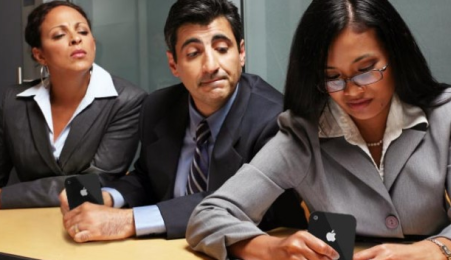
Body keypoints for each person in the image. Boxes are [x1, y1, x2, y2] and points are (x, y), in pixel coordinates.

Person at [186, 0, 451, 259]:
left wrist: (435, 251)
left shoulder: (446, 113)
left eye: (366, 70)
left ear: (396, 57)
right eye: (333, 77)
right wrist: (270, 248)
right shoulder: (303, 134)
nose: (352, 91)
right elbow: (208, 216)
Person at [60, 0, 306, 243]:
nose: (211, 66)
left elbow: (247, 205)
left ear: (241, 53)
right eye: (193, 53)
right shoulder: (157, 106)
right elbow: (147, 177)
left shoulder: (276, 118)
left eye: (222, 49)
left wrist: (128, 221)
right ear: (173, 64)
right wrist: (109, 197)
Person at [0, 1, 147, 209]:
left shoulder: (127, 100)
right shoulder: (13, 101)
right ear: (39, 55)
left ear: (93, 43)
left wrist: (5, 197)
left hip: (91, 221)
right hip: (23, 222)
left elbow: (98, 181)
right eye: (59, 35)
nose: (76, 39)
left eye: (83, 32)